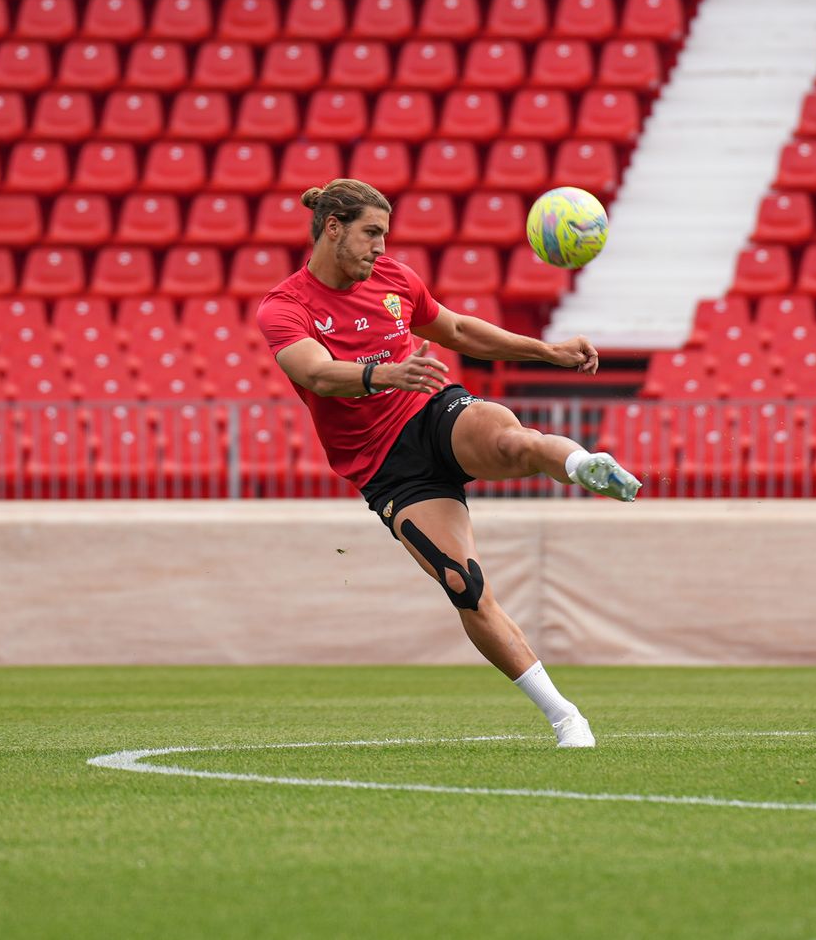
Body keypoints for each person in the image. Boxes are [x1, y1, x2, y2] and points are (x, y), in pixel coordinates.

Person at [257, 179, 641, 748]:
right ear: (332, 228)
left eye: (384, 235)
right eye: (370, 234)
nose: (380, 248)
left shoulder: (394, 280)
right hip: (386, 468)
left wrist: (547, 351)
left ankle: (585, 464)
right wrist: (384, 372)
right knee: (465, 585)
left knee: (514, 442)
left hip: (432, 413)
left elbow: (457, 330)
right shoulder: (285, 307)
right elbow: (314, 373)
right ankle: (567, 717)